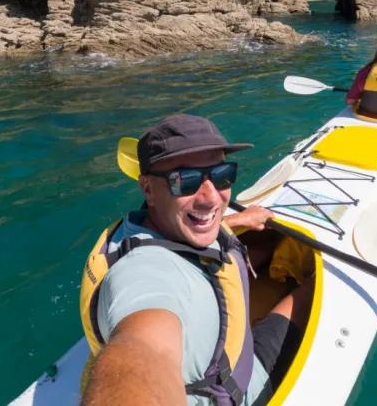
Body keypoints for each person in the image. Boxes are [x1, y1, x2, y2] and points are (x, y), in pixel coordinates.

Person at [80, 114, 314, 406]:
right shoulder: (144, 273)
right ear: (148, 189)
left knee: (263, 240)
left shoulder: (141, 227)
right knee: (311, 287)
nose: (210, 198)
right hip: (242, 384)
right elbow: (144, 350)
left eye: (221, 175)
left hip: (215, 339)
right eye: (184, 180)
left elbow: (201, 219)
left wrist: (240, 219)